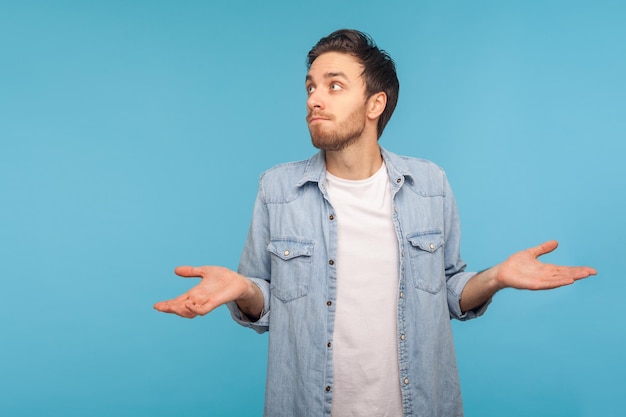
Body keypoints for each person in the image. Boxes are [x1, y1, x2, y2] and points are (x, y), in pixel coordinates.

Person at [154, 29, 596, 417]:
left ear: (374, 104)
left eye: (334, 85)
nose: (314, 98)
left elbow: (449, 290)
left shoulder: (430, 184)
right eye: (310, 86)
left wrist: (496, 277)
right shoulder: (277, 188)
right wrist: (244, 288)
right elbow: (264, 302)